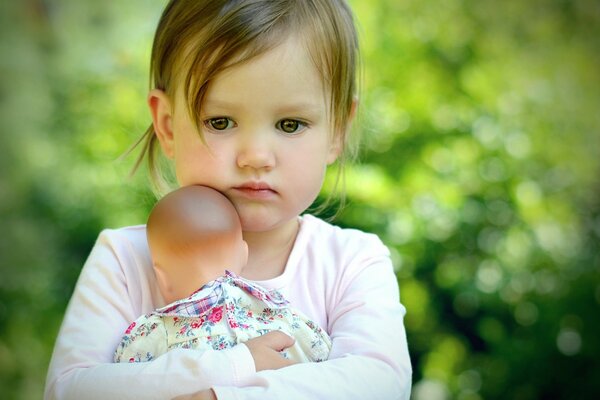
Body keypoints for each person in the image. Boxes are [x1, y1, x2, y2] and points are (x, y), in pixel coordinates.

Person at [44, 0, 412, 399]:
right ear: (167, 125)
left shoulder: (350, 262)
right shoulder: (125, 258)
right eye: (220, 122)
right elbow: (70, 390)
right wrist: (234, 363)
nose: (255, 155)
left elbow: (379, 383)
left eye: (290, 124)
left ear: (337, 130)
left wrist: (220, 395)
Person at [114, 184, 331, 364]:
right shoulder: (278, 313)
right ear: (244, 254)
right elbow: (321, 352)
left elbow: (122, 382)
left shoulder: (157, 331)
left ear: (162, 277)